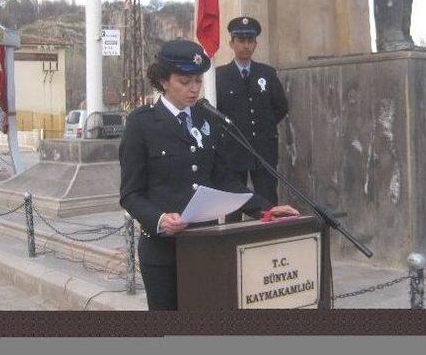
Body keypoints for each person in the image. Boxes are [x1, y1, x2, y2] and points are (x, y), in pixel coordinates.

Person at [119, 39, 299, 311]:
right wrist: (159, 219)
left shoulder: (207, 119)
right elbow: (130, 194)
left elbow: (225, 180)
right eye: (184, 81)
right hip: (163, 250)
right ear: (164, 81)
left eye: (197, 81)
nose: (193, 89)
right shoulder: (142, 124)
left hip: (204, 245)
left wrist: (267, 209)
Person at [216, 16, 289, 208]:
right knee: (233, 203)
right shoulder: (220, 76)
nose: (246, 45)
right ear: (231, 43)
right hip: (233, 150)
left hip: (263, 150)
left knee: (268, 201)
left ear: (255, 43)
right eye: (241, 40)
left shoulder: (267, 73)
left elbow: (281, 106)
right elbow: (216, 112)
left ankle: (269, 237)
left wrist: (265, 128)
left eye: (250, 40)